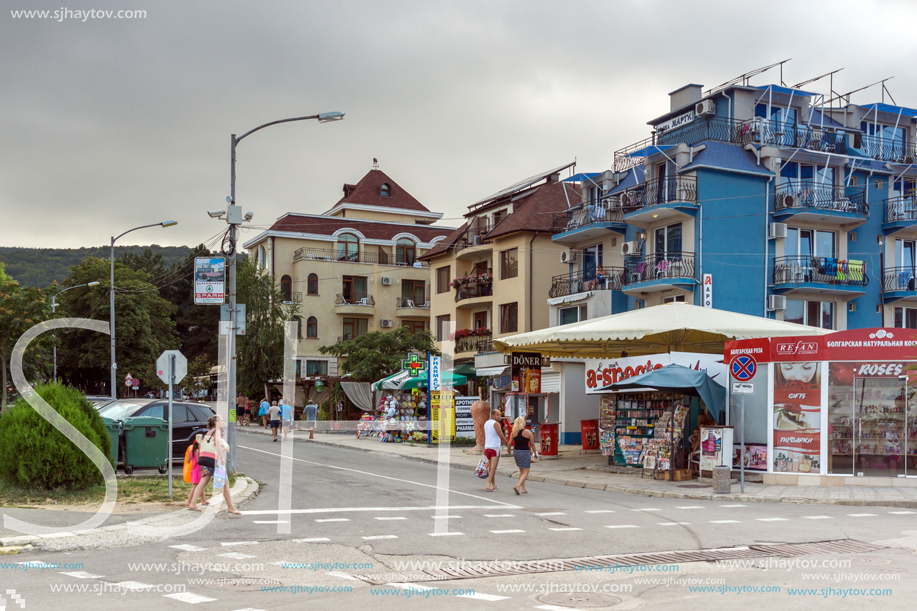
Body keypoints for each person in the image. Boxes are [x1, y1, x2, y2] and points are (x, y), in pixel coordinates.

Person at [189, 415, 241, 515]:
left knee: (202, 482)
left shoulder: (209, 432)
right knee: (225, 484)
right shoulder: (216, 431)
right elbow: (217, 443)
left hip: (207, 461)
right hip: (215, 461)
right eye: (221, 420)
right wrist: (221, 457)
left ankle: (193, 503)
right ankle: (230, 507)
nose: (223, 422)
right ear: (215, 422)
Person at [507, 416, 538, 494]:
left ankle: (523, 489)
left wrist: (508, 450)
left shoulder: (513, 433)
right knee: (526, 472)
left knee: (521, 470)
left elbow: (509, 443)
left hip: (516, 452)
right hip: (525, 452)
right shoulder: (528, 432)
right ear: (522, 423)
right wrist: (535, 453)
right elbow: (532, 444)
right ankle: (518, 485)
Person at [483, 408, 508, 492]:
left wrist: (484, 447)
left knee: (491, 467)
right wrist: (508, 445)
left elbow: (485, 436)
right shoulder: (496, 424)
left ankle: (493, 485)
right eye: (497, 415)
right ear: (492, 415)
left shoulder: (486, 423)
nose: (499, 416)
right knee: (493, 467)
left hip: (487, 447)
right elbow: (501, 436)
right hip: (494, 447)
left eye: (499, 415)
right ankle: (488, 484)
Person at [184, 438, 208, 508]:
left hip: (193, 470)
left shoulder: (191, 451)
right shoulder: (198, 451)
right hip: (198, 470)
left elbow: (188, 461)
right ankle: (189, 501)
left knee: (201, 485)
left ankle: (204, 500)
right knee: (195, 487)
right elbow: (198, 461)